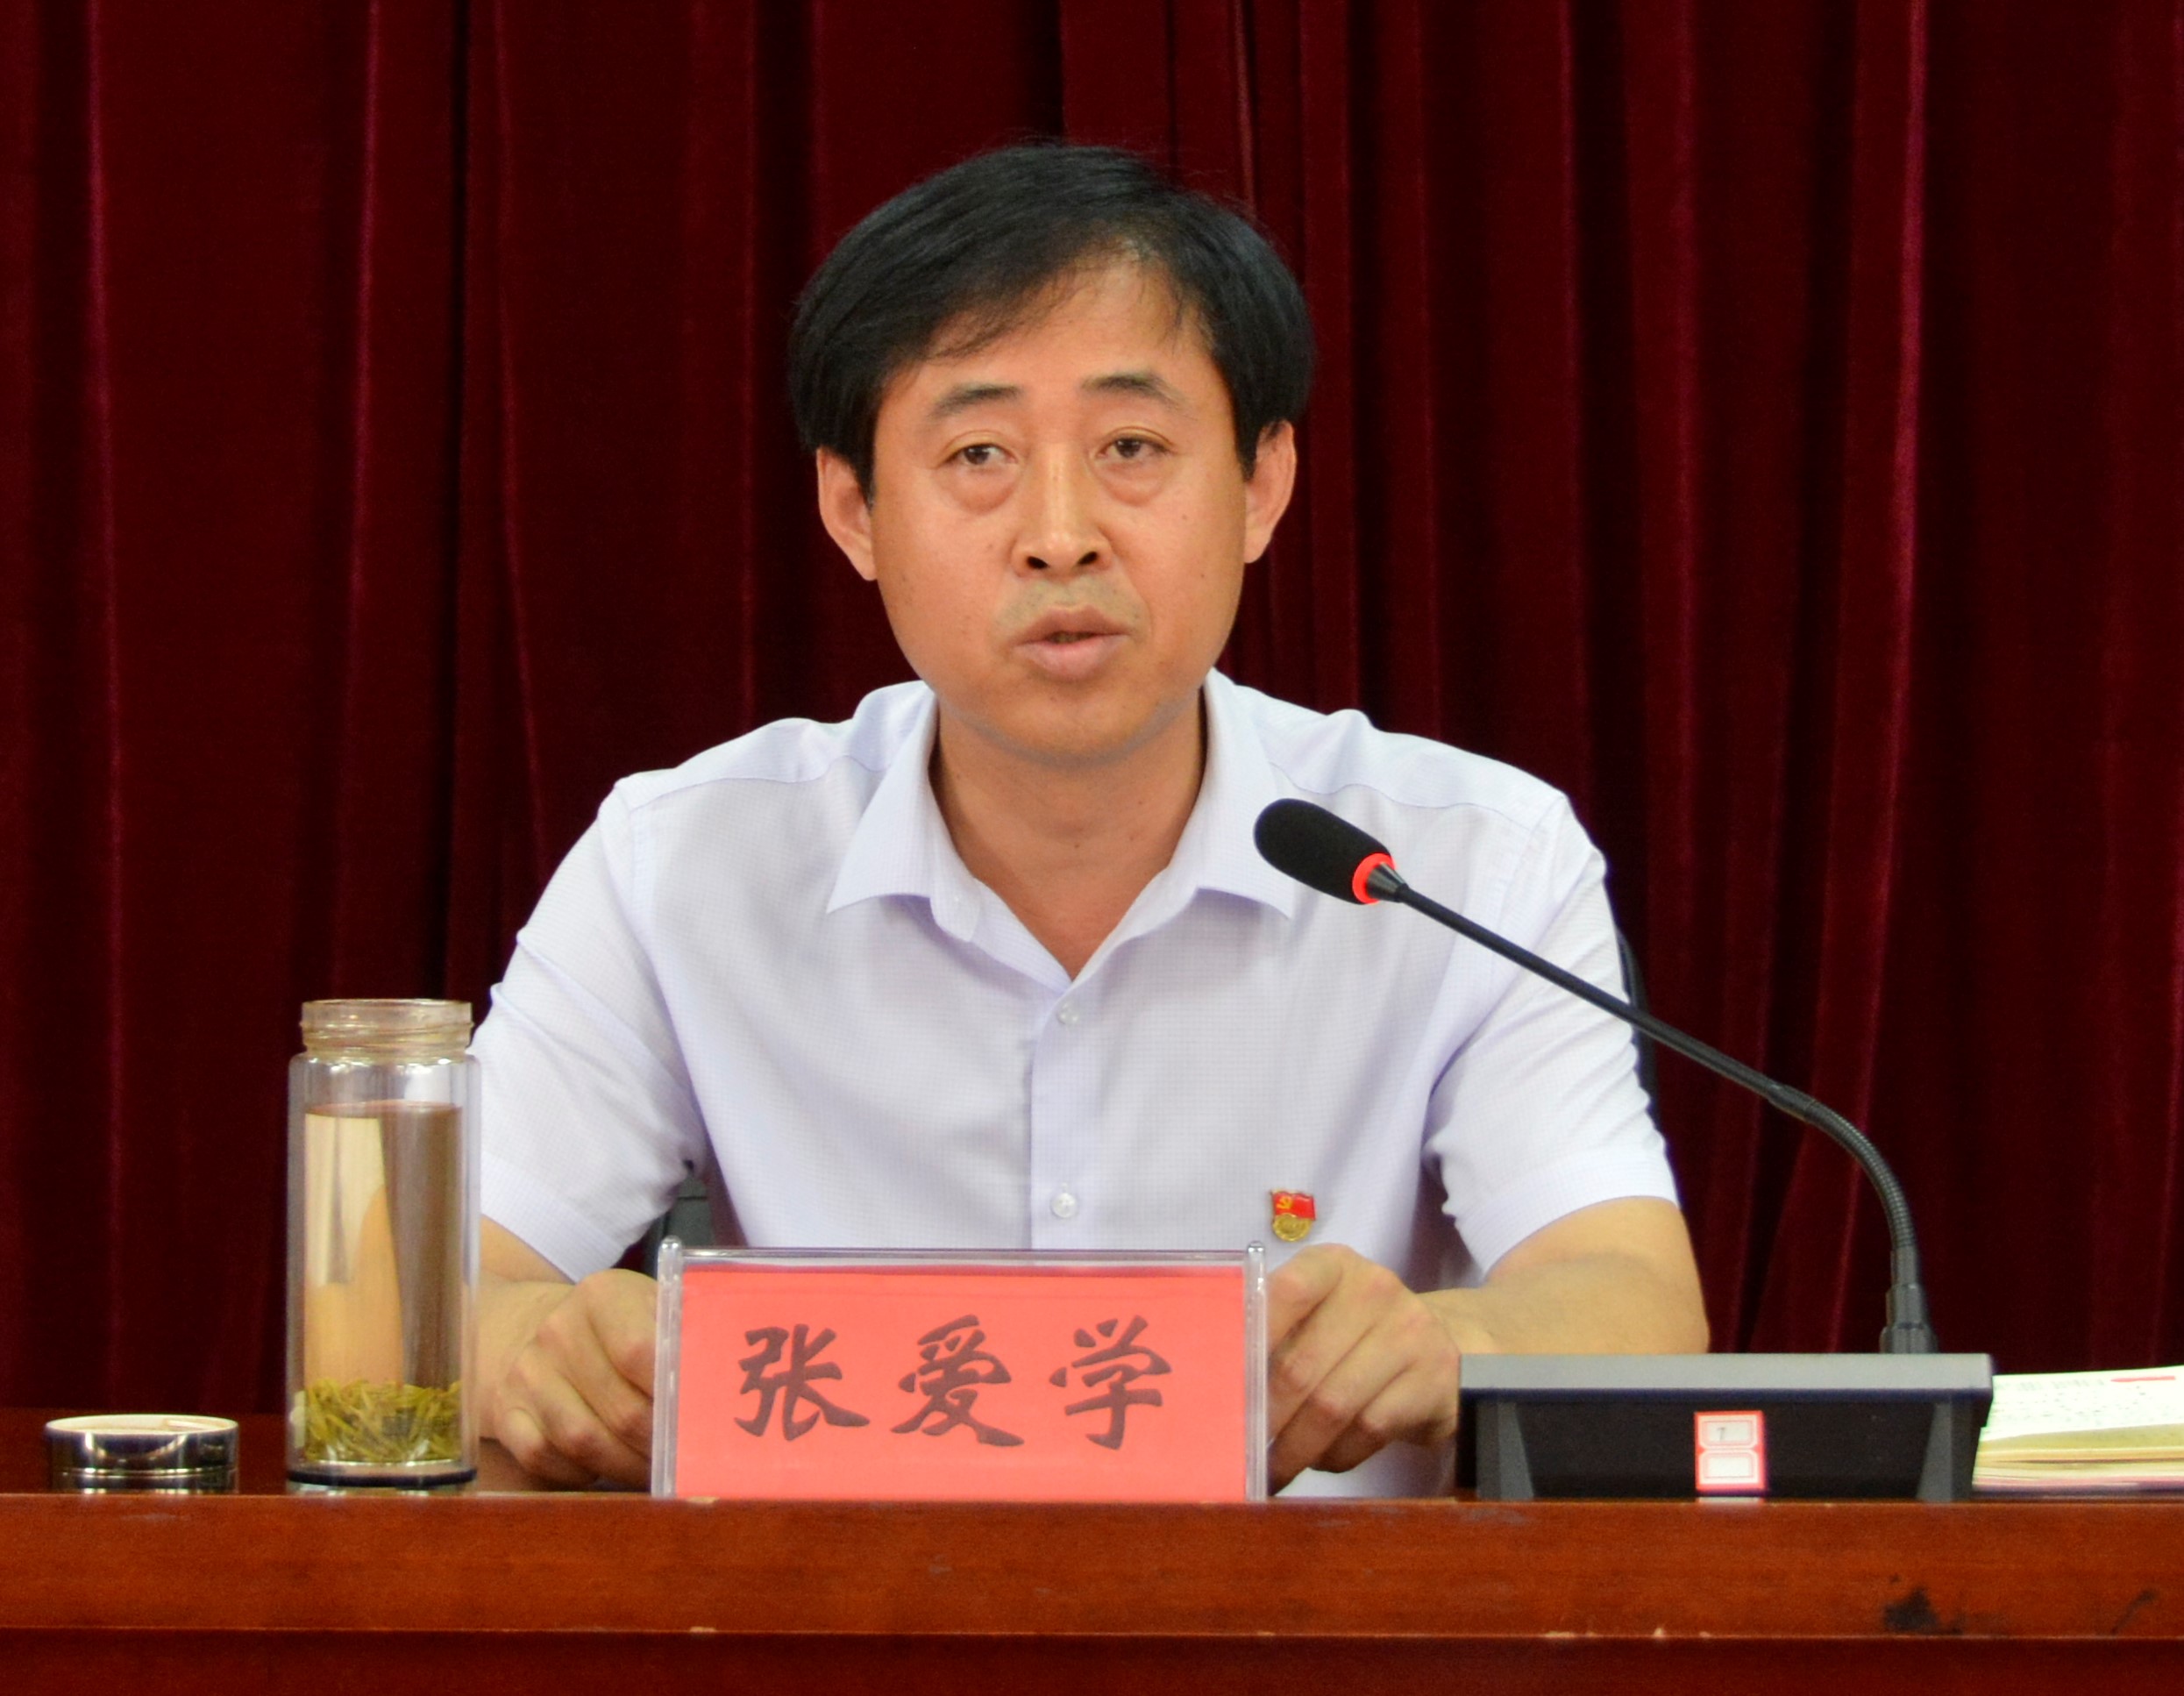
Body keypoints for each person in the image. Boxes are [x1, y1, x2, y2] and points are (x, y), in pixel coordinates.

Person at [473, 143, 1708, 1497]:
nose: (1060, 534)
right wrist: (539, 1348)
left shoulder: (1467, 861)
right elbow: (411, 1305)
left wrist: (1448, 1344)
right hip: (840, 1606)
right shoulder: (681, 866)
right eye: (979, 454)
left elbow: (1632, 1300)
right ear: (853, 511)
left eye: (1131, 448)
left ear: (1262, 485)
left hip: (1317, 1613)